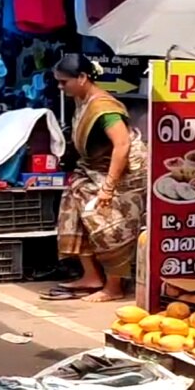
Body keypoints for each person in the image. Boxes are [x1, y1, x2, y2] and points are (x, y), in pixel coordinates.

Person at [45, 54, 147, 303]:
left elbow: (121, 145)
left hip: (123, 173)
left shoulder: (105, 108)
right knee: (75, 211)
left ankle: (115, 286)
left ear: (82, 78)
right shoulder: (82, 100)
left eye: (64, 82)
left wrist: (108, 188)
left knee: (107, 225)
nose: (60, 87)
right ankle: (92, 276)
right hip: (92, 169)